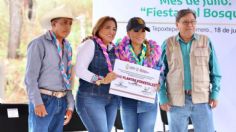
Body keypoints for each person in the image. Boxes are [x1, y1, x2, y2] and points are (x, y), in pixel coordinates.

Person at [159, 9, 222, 132]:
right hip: (176, 101)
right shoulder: (168, 44)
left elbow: (216, 71)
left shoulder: (205, 41)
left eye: (193, 21)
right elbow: (160, 74)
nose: (190, 25)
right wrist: (162, 97)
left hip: (202, 100)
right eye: (185, 22)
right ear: (177, 24)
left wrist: (215, 93)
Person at [25, 6, 75, 132]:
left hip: (61, 101)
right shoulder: (38, 44)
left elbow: (67, 78)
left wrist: (70, 104)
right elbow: (30, 78)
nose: (67, 27)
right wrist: (37, 102)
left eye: (70, 23)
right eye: (64, 23)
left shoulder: (68, 47)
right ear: (53, 24)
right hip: (43, 100)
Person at [115, 17, 162, 132]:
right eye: (136, 30)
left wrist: (159, 82)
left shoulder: (154, 50)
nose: (140, 34)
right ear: (128, 33)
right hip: (127, 101)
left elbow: (161, 71)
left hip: (148, 101)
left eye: (143, 30)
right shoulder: (118, 50)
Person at [75, 16, 119, 132]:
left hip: (111, 100)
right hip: (91, 98)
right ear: (98, 28)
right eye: (107, 28)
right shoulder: (90, 44)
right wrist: (101, 79)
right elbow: (79, 69)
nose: (112, 32)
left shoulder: (114, 49)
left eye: (114, 29)